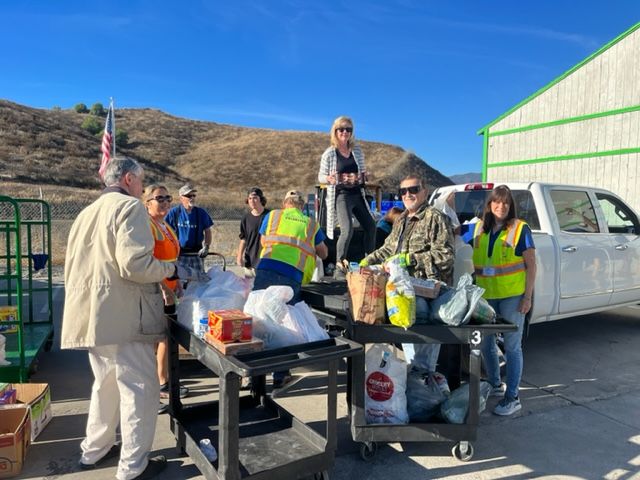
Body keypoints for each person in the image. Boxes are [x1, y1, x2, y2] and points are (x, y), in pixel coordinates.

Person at [61, 157, 203, 480]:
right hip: (124, 315)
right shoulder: (130, 208)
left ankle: (94, 450)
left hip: (91, 316)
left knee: (106, 385)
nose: (142, 189)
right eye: (140, 182)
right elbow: (135, 265)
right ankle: (132, 468)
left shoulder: (85, 214)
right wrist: (172, 269)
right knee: (140, 388)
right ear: (128, 180)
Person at [360, 175, 455, 373]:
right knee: (411, 353)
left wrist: (410, 259)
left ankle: (426, 392)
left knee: (423, 358)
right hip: (404, 293)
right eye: (403, 191)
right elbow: (387, 249)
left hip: (427, 295)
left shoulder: (435, 218)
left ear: (424, 192)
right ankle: (417, 390)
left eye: (413, 189)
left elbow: (446, 257)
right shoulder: (401, 219)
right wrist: (366, 262)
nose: (408, 195)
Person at [462, 184, 536, 416]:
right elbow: (452, 231)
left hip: (512, 297)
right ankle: (495, 385)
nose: (501, 206)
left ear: (510, 206)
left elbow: (532, 265)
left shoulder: (520, 229)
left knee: (513, 347)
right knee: (486, 344)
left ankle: (512, 396)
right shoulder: (477, 229)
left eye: (505, 202)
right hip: (486, 297)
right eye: (497, 202)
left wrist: (527, 297)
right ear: (490, 204)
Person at [253, 190, 328, 388]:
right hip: (291, 276)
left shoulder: (272, 216)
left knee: (258, 318)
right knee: (284, 323)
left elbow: (263, 241)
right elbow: (324, 252)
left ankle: (254, 375)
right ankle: (280, 375)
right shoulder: (310, 224)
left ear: (285, 203)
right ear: (302, 206)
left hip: (266, 269)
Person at [142, 184, 189, 415]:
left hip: (169, 288)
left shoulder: (165, 225)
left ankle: (163, 379)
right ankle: (159, 383)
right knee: (159, 338)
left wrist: (176, 280)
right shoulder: (148, 226)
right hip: (157, 290)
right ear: (147, 202)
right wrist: (162, 286)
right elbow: (148, 261)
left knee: (166, 338)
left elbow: (171, 256)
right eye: (159, 198)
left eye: (167, 198)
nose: (165, 202)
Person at [318, 115, 376, 278]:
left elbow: (362, 171)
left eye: (348, 129)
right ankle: (339, 265)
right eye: (341, 129)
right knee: (347, 229)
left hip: (357, 193)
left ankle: (368, 262)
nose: (345, 132)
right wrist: (328, 179)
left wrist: (365, 176)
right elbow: (321, 176)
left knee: (371, 226)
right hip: (341, 195)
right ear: (335, 132)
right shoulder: (329, 153)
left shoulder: (356, 150)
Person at [165, 183, 214, 274]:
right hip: (180, 255)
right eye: (188, 195)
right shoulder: (174, 213)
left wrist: (206, 247)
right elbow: (165, 231)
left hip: (196, 254)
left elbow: (207, 231)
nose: (192, 198)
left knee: (199, 281)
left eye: (193, 195)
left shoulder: (201, 213)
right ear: (181, 198)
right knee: (181, 280)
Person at [237, 187, 270, 277]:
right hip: (250, 262)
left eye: (255, 198)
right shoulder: (245, 218)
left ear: (261, 199)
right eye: (250, 198)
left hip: (265, 261)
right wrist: (239, 256)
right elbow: (243, 239)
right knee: (249, 290)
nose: (252, 200)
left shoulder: (270, 216)